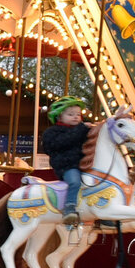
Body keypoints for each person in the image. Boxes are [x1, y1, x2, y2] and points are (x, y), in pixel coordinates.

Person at [41, 96, 91, 227]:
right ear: (59, 116)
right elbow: (63, 142)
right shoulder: (53, 132)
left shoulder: (81, 130)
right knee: (74, 182)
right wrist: (82, 129)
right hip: (67, 165)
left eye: (78, 114)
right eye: (70, 114)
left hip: (84, 165)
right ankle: (69, 207)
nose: (75, 117)